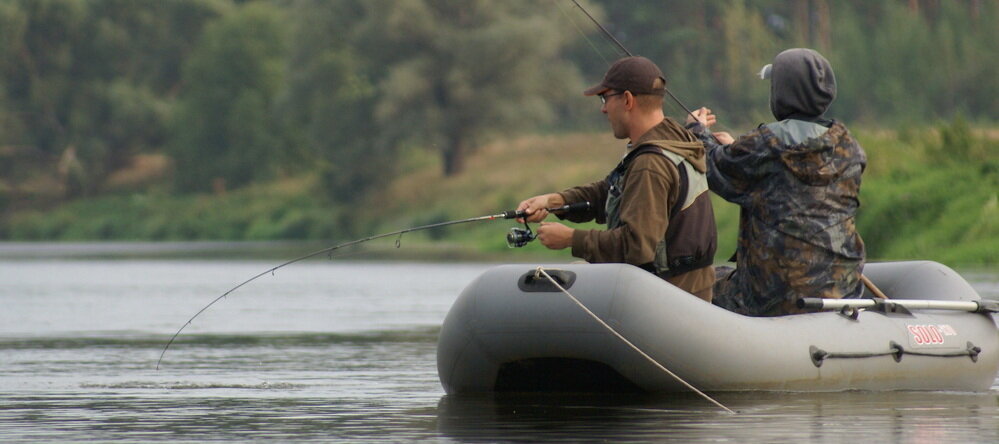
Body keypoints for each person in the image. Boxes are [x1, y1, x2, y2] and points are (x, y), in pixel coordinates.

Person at [518, 56, 717, 301]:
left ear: (627, 99)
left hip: (668, 300)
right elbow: (613, 191)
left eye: (605, 98)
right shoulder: (675, 141)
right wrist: (554, 201)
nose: (603, 109)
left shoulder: (650, 163)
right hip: (688, 290)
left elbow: (636, 246)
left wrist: (571, 239)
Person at [685, 48, 866, 316]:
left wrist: (696, 130)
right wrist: (736, 148)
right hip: (842, 290)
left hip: (771, 296)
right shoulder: (850, 149)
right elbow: (788, 168)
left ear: (780, 94)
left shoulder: (762, 145)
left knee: (698, 282)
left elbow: (712, 166)